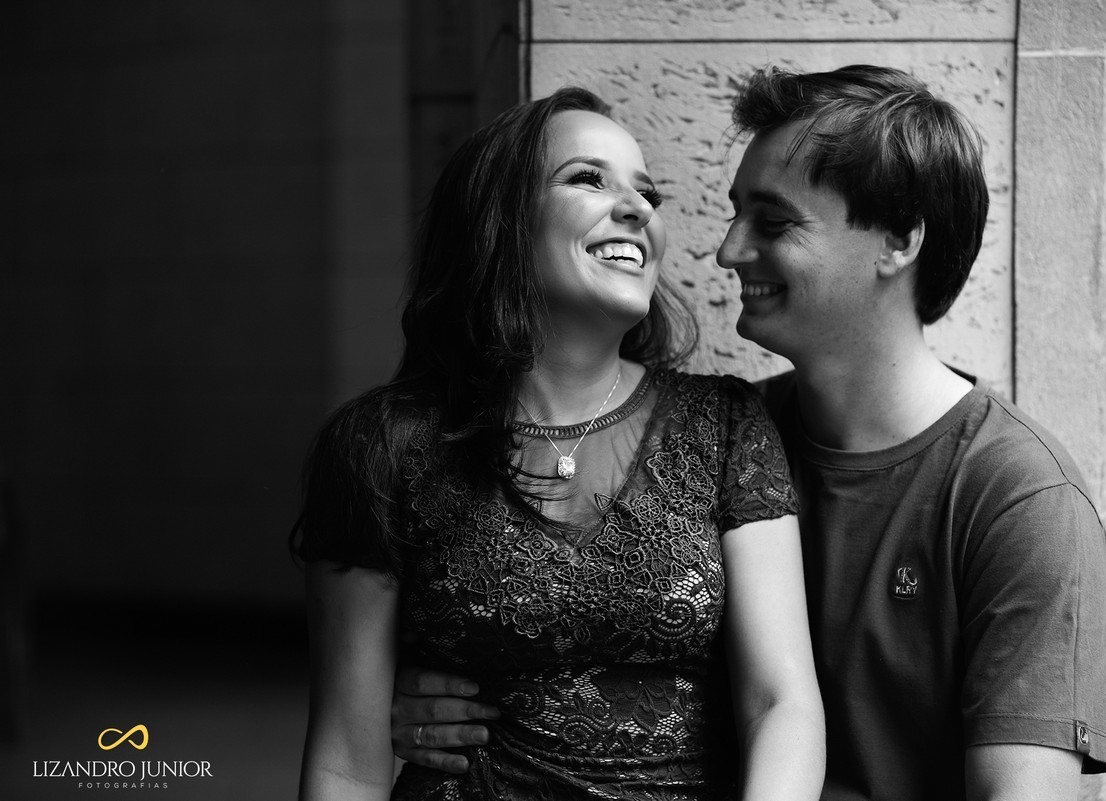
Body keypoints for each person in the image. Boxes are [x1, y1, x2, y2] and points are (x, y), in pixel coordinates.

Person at [390, 66, 1106, 801]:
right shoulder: (714, 439)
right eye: (736, 214)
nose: (727, 250)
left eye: (773, 222)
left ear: (897, 240)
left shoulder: (1023, 500)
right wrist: (441, 688)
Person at [293, 86, 825, 801]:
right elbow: (344, 760)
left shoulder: (725, 425)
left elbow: (781, 704)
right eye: (587, 179)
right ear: (501, 222)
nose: (638, 208)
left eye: (647, 192)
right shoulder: (381, 448)